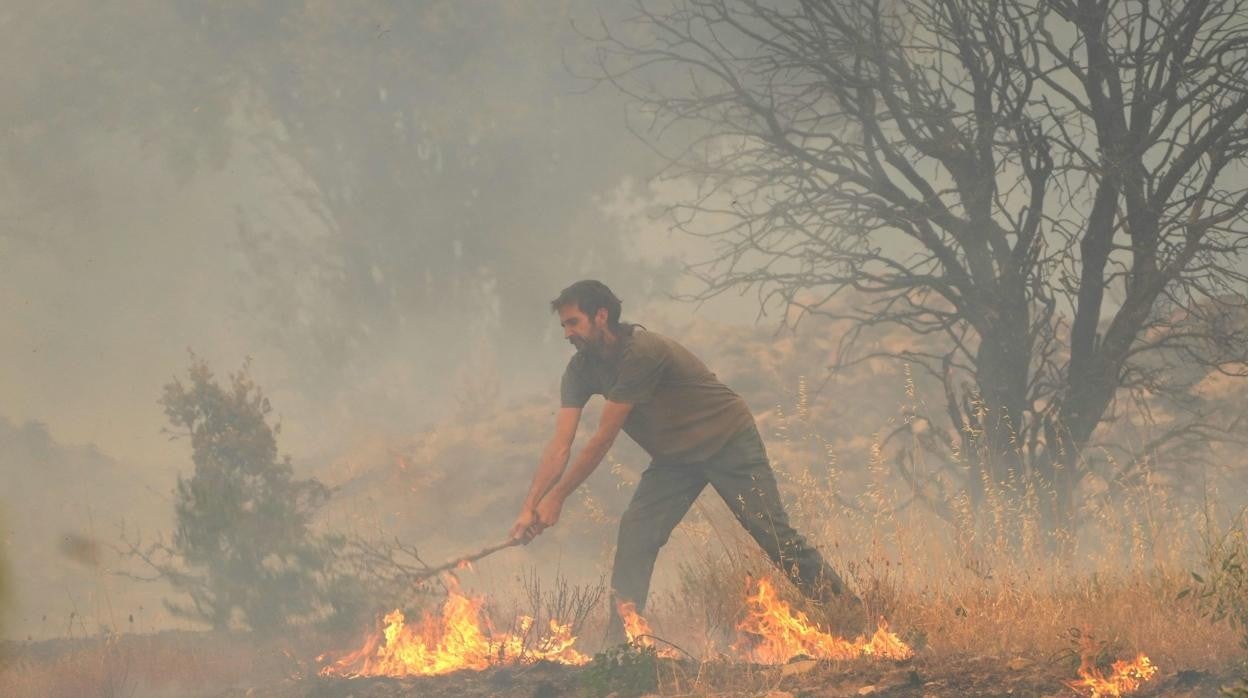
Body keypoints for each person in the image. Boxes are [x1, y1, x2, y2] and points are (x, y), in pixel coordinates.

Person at [509, 280, 860, 645]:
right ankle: (620, 647)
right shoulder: (580, 370)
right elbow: (559, 446)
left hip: (728, 440)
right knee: (636, 533)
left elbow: (602, 439)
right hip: (675, 459)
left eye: (573, 322)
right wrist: (529, 507)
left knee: (773, 535)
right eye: (563, 325)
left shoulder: (641, 353)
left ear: (601, 316)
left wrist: (558, 498)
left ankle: (852, 619)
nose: (567, 333)